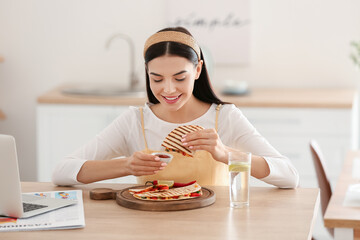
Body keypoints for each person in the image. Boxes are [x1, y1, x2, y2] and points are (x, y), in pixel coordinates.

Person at [52, 27, 299, 188]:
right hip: (149, 227)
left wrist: (225, 154)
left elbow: (289, 176)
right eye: (157, 79)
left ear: (198, 70)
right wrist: (126, 165)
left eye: (180, 78)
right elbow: (62, 171)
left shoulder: (224, 118)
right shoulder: (134, 120)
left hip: (213, 228)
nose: (168, 90)